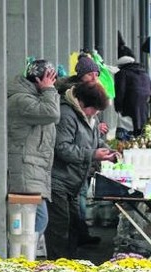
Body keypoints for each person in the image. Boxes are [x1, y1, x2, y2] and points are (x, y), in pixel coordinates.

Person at [47, 82, 117, 259]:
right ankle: (57, 267)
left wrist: (107, 151)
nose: (96, 113)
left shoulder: (90, 117)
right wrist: (93, 155)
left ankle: (69, 264)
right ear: (82, 102)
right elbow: (62, 148)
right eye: (94, 109)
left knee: (74, 226)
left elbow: (94, 141)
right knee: (60, 229)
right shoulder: (67, 115)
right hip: (59, 180)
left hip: (74, 181)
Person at [7, 59, 60, 247]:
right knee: (37, 219)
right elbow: (52, 113)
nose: (53, 84)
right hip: (24, 169)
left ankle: (22, 256)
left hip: (33, 170)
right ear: (40, 80)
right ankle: (20, 258)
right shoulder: (22, 100)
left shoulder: (33, 98)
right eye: (51, 79)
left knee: (29, 222)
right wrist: (49, 90)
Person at [113, 48, 151, 137]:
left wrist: (118, 106)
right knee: (141, 127)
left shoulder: (122, 73)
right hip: (145, 103)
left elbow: (120, 91)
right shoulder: (144, 73)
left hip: (130, 102)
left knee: (129, 128)